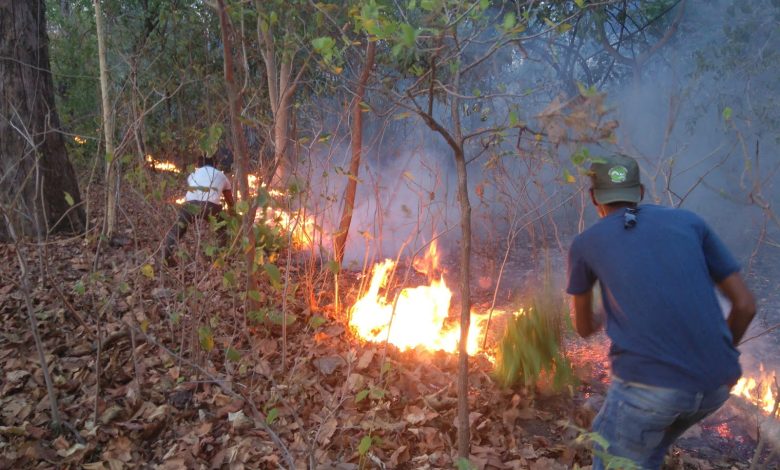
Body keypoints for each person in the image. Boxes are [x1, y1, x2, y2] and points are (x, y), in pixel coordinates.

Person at [566, 154, 756, 469]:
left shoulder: (585, 243)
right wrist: (716, 358)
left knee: (614, 455)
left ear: (593, 197)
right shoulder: (691, 222)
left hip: (650, 391)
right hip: (716, 386)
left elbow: (584, 328)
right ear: (640, 192)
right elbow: (746, 305)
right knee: (647, 449)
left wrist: (606, 311)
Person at [162, 154, 235, 266]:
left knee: (177, 230)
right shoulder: (222, 176)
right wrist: (233, 215)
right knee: (222, 230)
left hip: (190, 205)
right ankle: (219, 259)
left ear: (200, 163)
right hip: (211, 207)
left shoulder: (193, 174)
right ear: (215, 164)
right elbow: (230, 202)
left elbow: (192, 188)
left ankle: (165, 258)